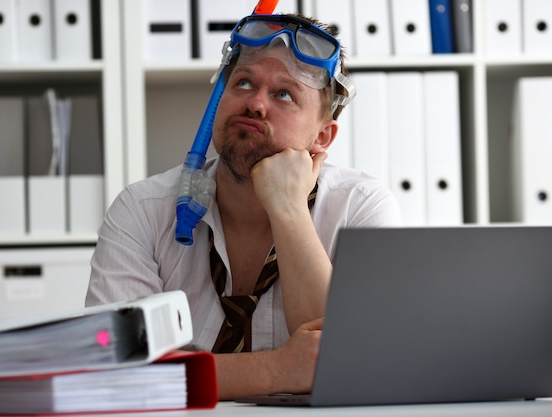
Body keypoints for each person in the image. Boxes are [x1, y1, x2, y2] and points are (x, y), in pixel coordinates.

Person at [86, 13, 401, 400]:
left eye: (283, 94)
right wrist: (276, 369)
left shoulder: (360, 208)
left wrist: (289, 208)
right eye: (244, 82)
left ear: (322, 136)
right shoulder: (142, 210)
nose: (254, 103)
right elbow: (113, 374)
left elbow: (353, 369)